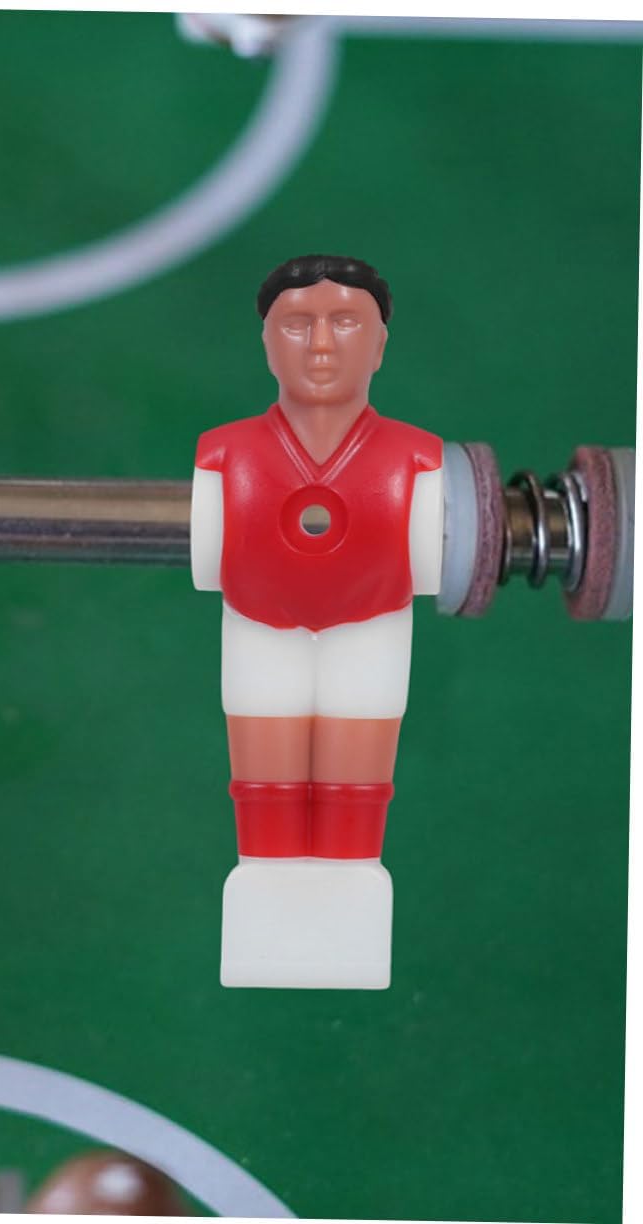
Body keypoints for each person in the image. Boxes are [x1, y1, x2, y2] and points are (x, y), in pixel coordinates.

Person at [191, 254, 443, 989]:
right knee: (264, 798)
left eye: (346, 323)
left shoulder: (416, 459)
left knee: (354, 799)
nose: (323, 345)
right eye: (298, 324)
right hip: (260, 628)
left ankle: (347, 931)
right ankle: (267, 928)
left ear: (381, 344)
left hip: (371, 630)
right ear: (267, 342)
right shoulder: (226, 454)